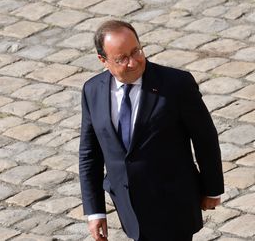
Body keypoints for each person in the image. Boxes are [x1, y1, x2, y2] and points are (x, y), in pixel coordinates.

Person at [79, 20, 224, 241]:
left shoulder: (176, 84)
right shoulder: (92, 91)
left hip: (172, 204)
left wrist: (212, 188)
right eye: (121, 58)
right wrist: (95, 211)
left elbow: (205, 138)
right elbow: (90, 154)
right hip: (129, 207)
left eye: (136, 51)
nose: (133, 62)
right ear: (103, 60)